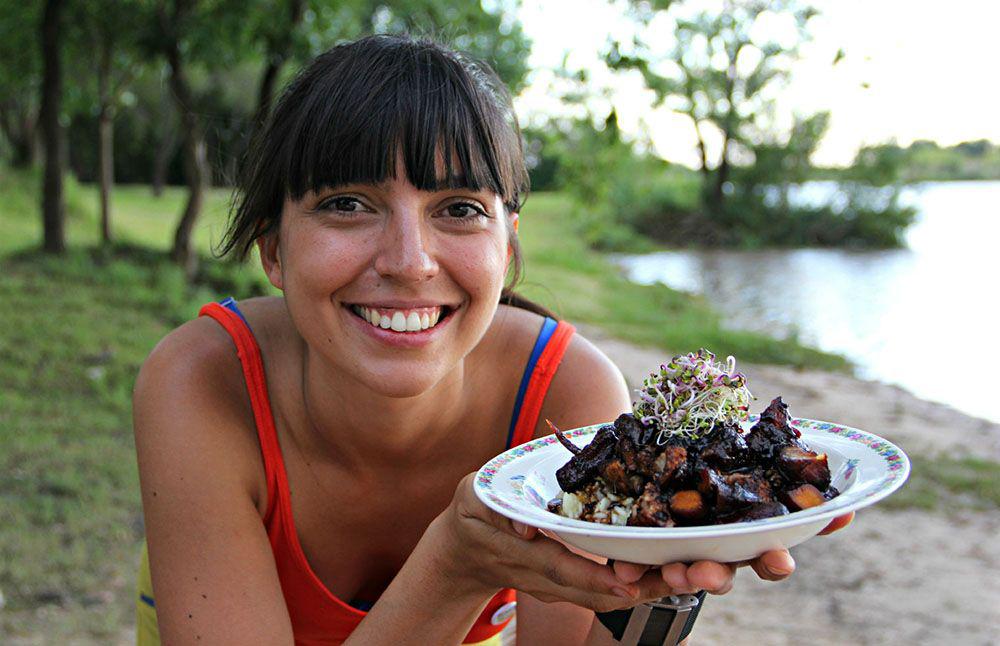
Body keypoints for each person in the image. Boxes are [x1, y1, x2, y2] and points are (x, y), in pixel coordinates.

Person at [132, 34, 852, 645]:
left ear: (506, 250)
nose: (409, 261)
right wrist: (456, 567)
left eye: (458, 208)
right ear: (273, 251)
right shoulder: (202, 383)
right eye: (347, 204)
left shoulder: (567, 396)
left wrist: (664, 574)